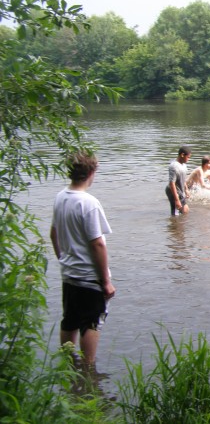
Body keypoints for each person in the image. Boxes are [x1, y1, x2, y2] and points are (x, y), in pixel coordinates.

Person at [50, 151, 116, 367]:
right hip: (89, 275)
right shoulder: (89, 203)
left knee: (69, 320)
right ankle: (88, 371)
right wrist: (105, 281)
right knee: (91, 323)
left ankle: (68, 368)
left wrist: (63, 259)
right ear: (91, 172)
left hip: (69, 273)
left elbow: (54, 233)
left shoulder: (60, 197)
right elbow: (97, 243)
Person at [165, 146, 192, 216]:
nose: (188, 159)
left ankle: (178, 225)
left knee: (185, 210)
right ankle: (174, 226)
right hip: (173, 191)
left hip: (180, 191)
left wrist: (186, 189)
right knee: (175, 213)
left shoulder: (184, 165)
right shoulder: (174, 166)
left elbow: (183, 179)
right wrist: (177, 200)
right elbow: (172, 183)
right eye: (188, 157)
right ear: (182, 155)